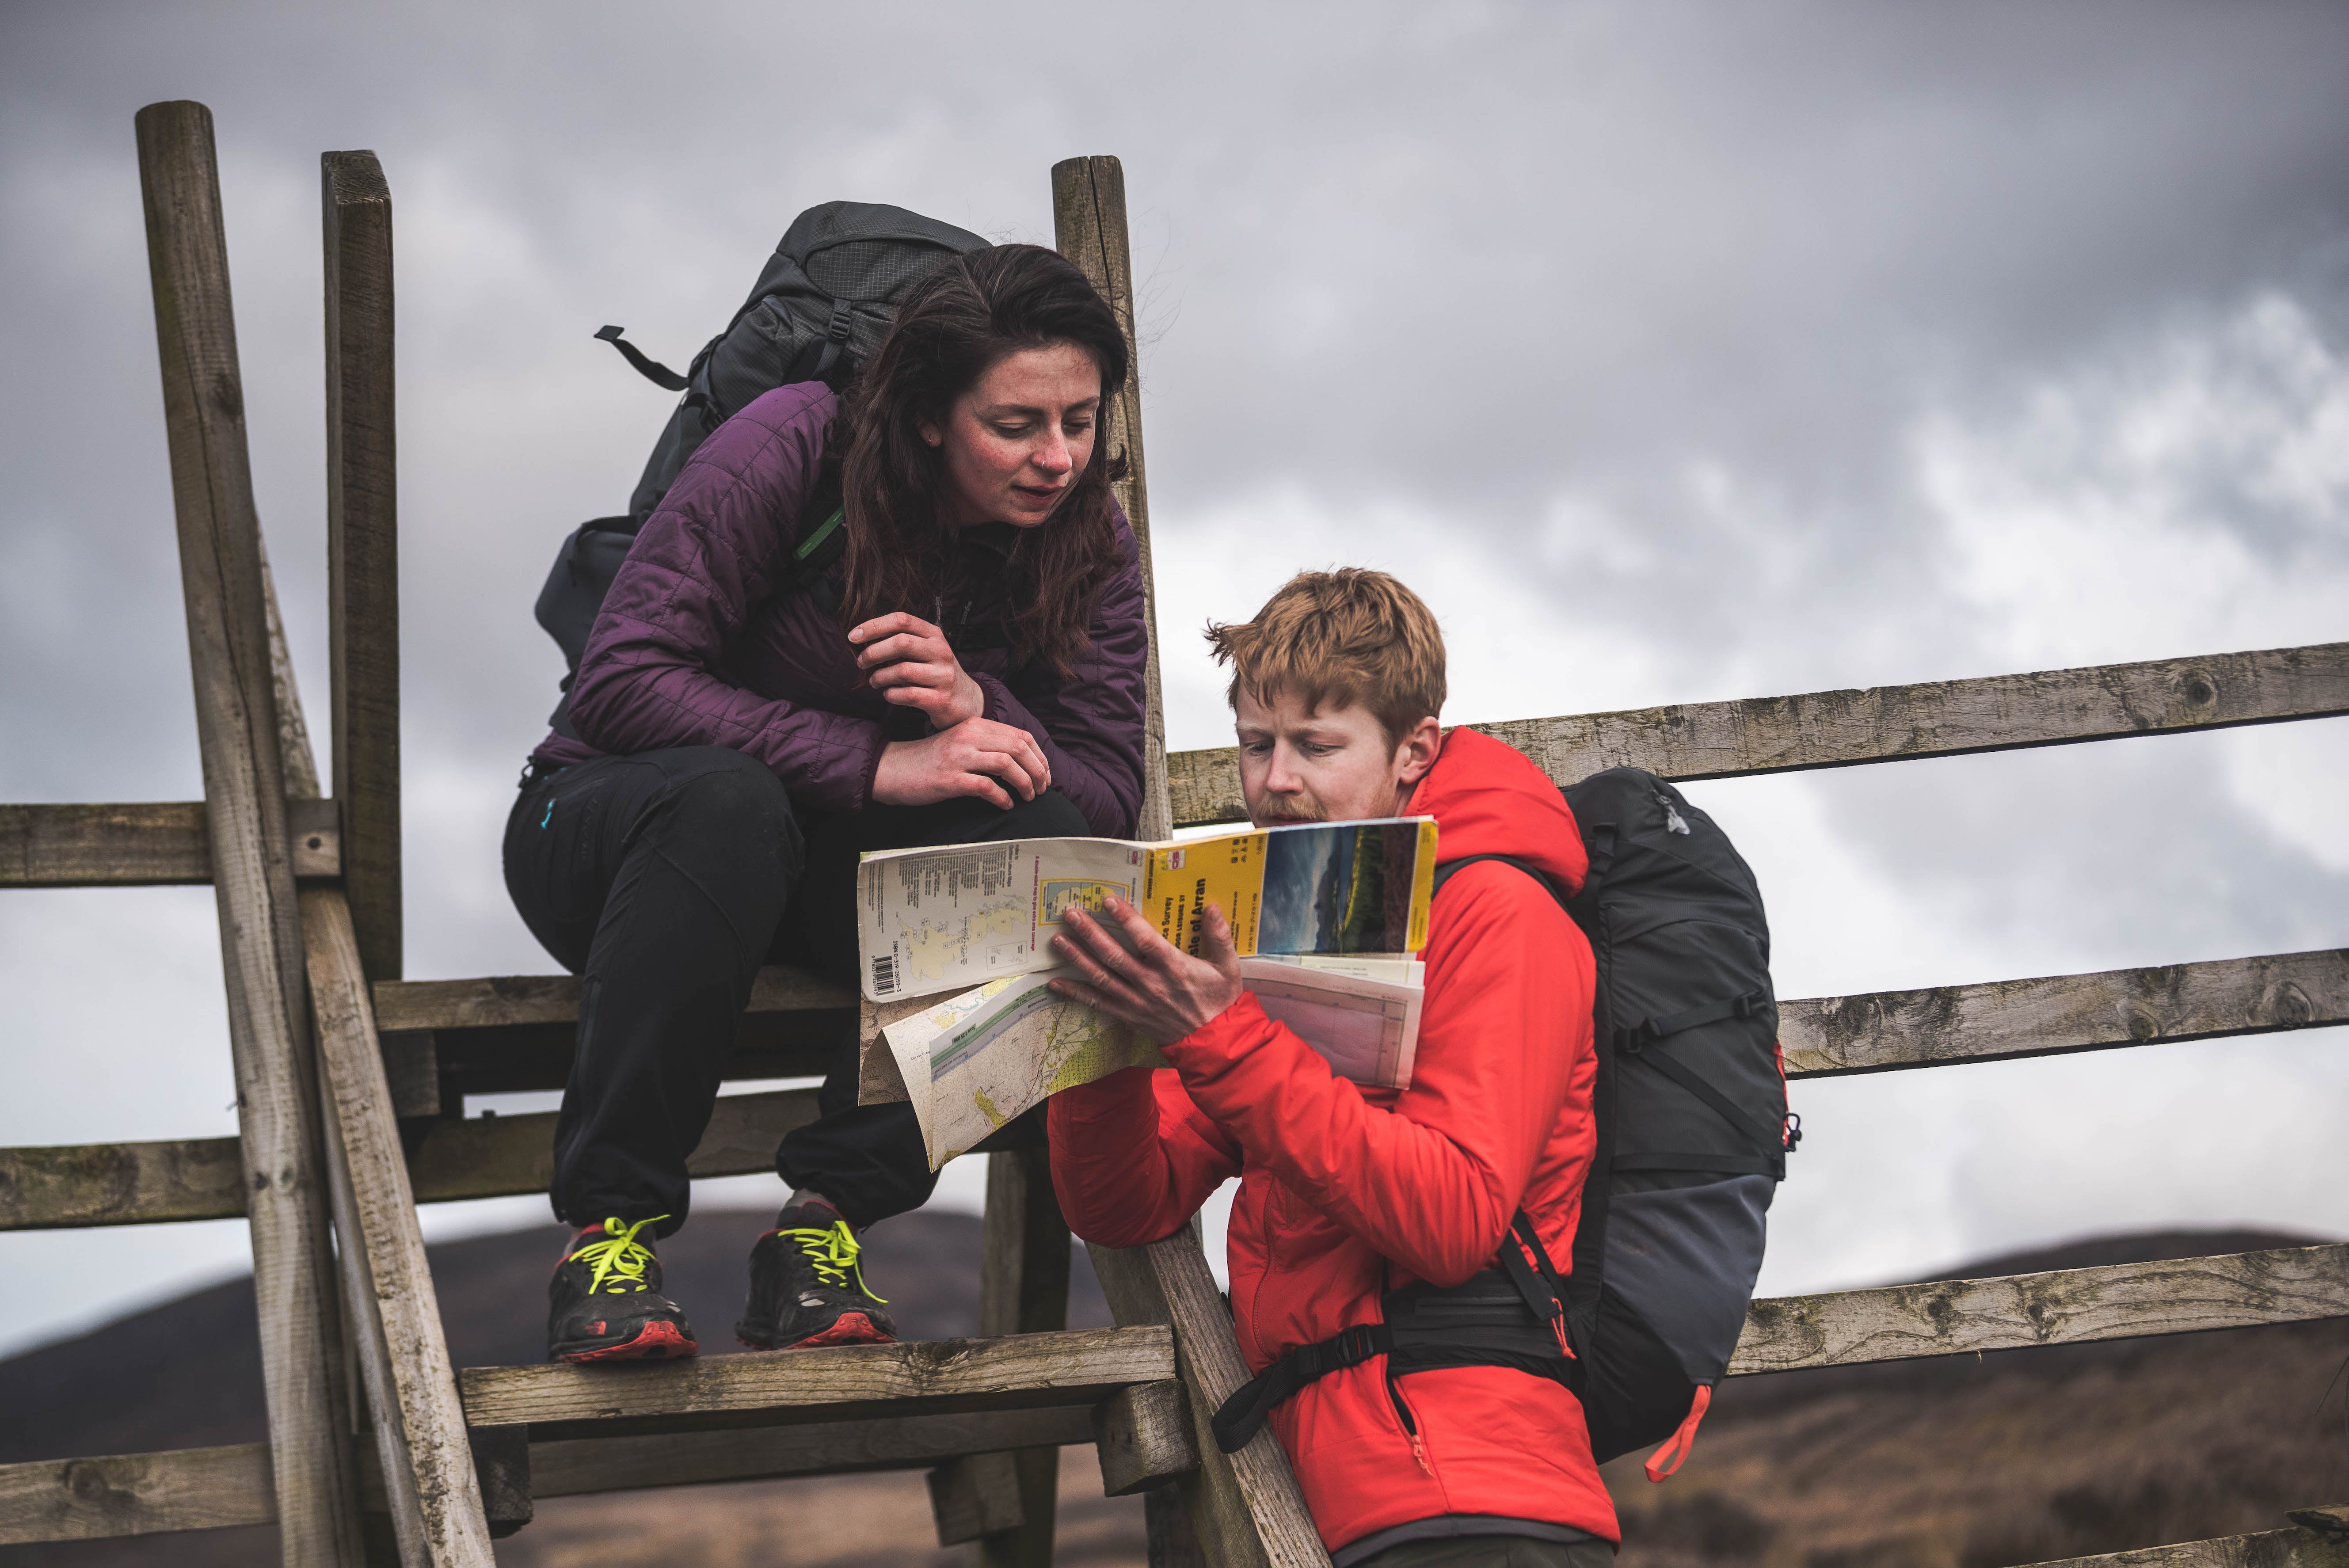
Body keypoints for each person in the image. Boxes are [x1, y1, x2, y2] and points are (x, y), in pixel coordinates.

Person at [504, 244, 1148, 1363]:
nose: (1057, 458)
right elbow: (621, 679)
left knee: (1052, 866)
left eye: (1081, 422)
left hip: (820, 889)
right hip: (615, 843)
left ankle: (823, 1230)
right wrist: (873, 763)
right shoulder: (797, 440)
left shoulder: (1090, 541)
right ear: (933, 414)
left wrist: (974, 698)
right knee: (730, 799)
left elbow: (1101, 798)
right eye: (1018, 425)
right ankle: (608, 1235)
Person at [1046, 569, 1618, 1566]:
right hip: (1320, 1499)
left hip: (1474, 1502)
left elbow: (1453, 1219)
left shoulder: (1503, 916)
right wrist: (1099, 1040)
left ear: (1416, 751)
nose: (1276, 782)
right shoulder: (1292, 923)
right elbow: (1125, 1203)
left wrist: (1223, 1035)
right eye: (1256, 744)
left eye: (1316, 746)